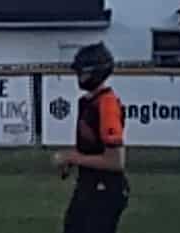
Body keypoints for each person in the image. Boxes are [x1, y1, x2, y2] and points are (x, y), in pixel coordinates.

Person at [54, 43, 128, 233]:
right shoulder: (88, 102)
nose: (79, 77)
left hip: (106, 188)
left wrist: (72, 158)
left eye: (83, 72)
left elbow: (115, 161)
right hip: (89, 184)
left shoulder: (107, 105)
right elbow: (91, 147)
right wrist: (72, 160)